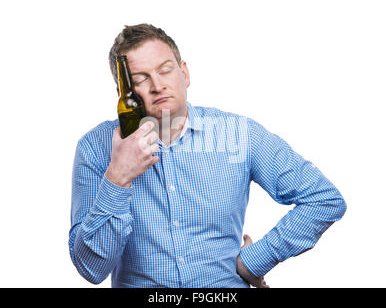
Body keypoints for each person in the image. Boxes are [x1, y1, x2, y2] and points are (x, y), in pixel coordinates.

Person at [69, 24, 346, 288]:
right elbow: (91, 269)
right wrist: (118, 176)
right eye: (141, 79)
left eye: (165, 70)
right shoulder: (95, 148)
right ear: (123, 93)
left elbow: (323, 199)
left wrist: (255, 261)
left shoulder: (239, 134)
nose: (157, 85)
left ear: (185, 74)